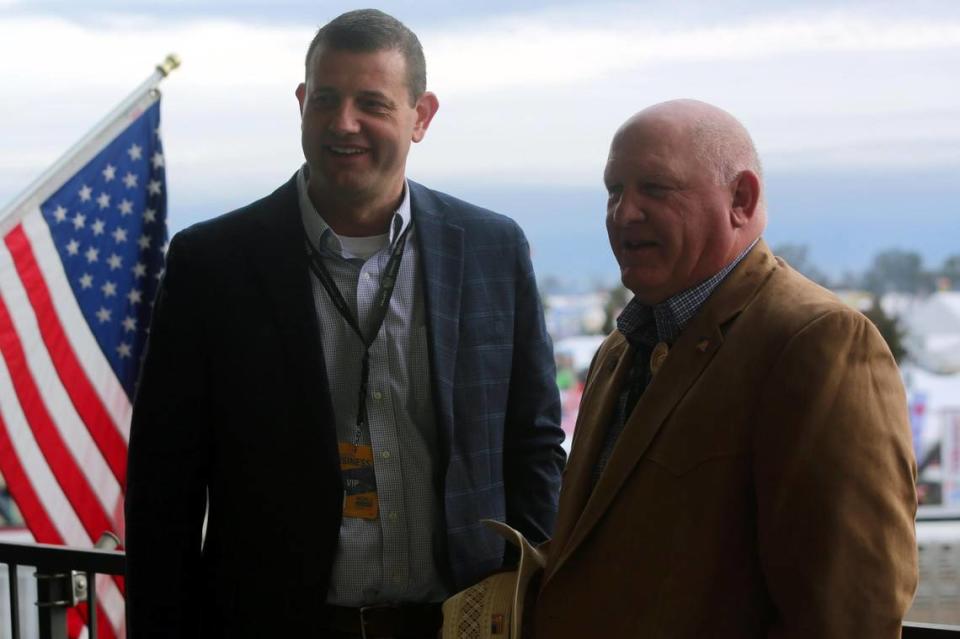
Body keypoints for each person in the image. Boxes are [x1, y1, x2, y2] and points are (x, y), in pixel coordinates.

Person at [124, 9, 565, 638]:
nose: (344, 123)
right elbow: (163, 483)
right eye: (325, 99)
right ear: (301, 103)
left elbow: (533, 445)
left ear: (422, 116)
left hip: (461, 623)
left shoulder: (492, 249)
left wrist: (537, 598)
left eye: (372, 104)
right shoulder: (212, 264)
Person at [532, 99, 918, 638]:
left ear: (741, 199)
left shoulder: (818, 341)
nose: (624, 213)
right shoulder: (620, 349)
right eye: (614, 191)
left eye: (655, 188)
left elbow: (852, 614)